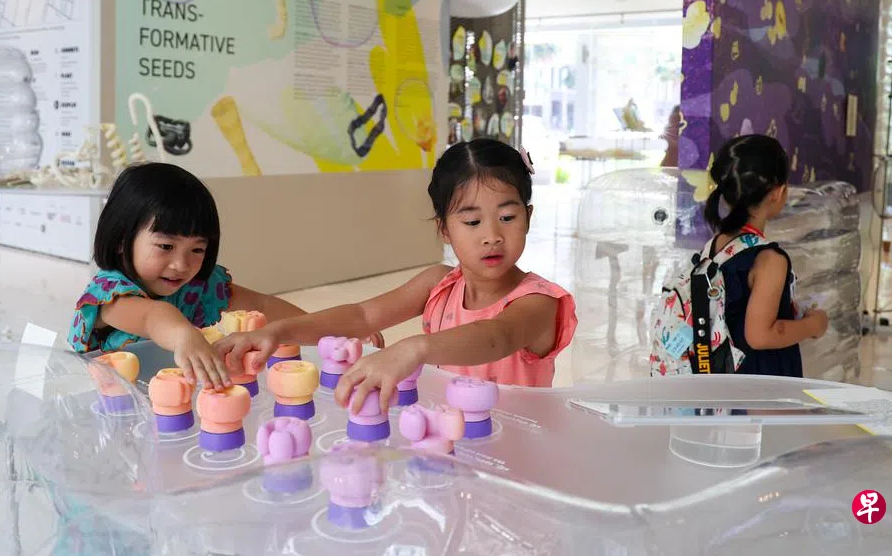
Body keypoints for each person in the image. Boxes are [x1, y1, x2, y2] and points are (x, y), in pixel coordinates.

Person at [217, 139, 578, 412]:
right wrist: (280, 331)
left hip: (516, 459)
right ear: (444, 230)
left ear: (528, 218)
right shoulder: (439, 284)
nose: (492, 235)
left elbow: (498, 336)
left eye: (508, 217)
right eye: (472, 221)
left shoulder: (538, 302)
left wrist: (412, 349)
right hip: (452, 445)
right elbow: (361, 317)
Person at [67, 162, 312, 388]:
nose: (181, 265)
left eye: (197, 250)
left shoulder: (197, 287)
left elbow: (262, 305)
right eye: (166, 246)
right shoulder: (109, 292)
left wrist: (316, 329)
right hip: (108, 402)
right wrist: (184, 335)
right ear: (122, 240)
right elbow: (151, 316)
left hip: (174, 397)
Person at [703, 135, 829, 377]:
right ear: (777, 193)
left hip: (725, 376)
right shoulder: (770, 259)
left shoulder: (716, 244)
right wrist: (813, 325)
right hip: (760, 382)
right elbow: (760, 336)